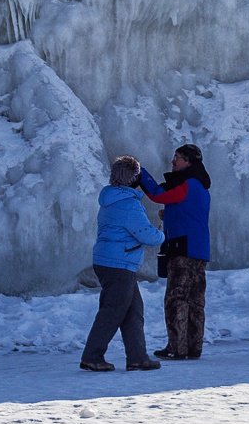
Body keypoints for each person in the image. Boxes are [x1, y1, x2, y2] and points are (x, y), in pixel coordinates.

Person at [80, 156, 164, 372]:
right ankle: (92, 356)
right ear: (134, 180)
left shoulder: (112, 199)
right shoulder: (129, 205)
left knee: (133, 310)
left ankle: (137, 357)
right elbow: (147, 235)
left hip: (111, 262)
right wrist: (162, 233)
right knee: (113, 311)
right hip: (118, 264)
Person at [140, 145, 212, 360]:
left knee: (176, 299)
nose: (173, 161)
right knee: (195, 302)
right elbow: (189, 213)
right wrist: (170, 215)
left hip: (183, 249)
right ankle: (193, 347)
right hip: (200, 250)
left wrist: (139, 171)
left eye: (178, 158)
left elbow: (157, 194)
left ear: (189, 162)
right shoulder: (201, 188)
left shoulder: (187, 184)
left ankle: (176, 348)